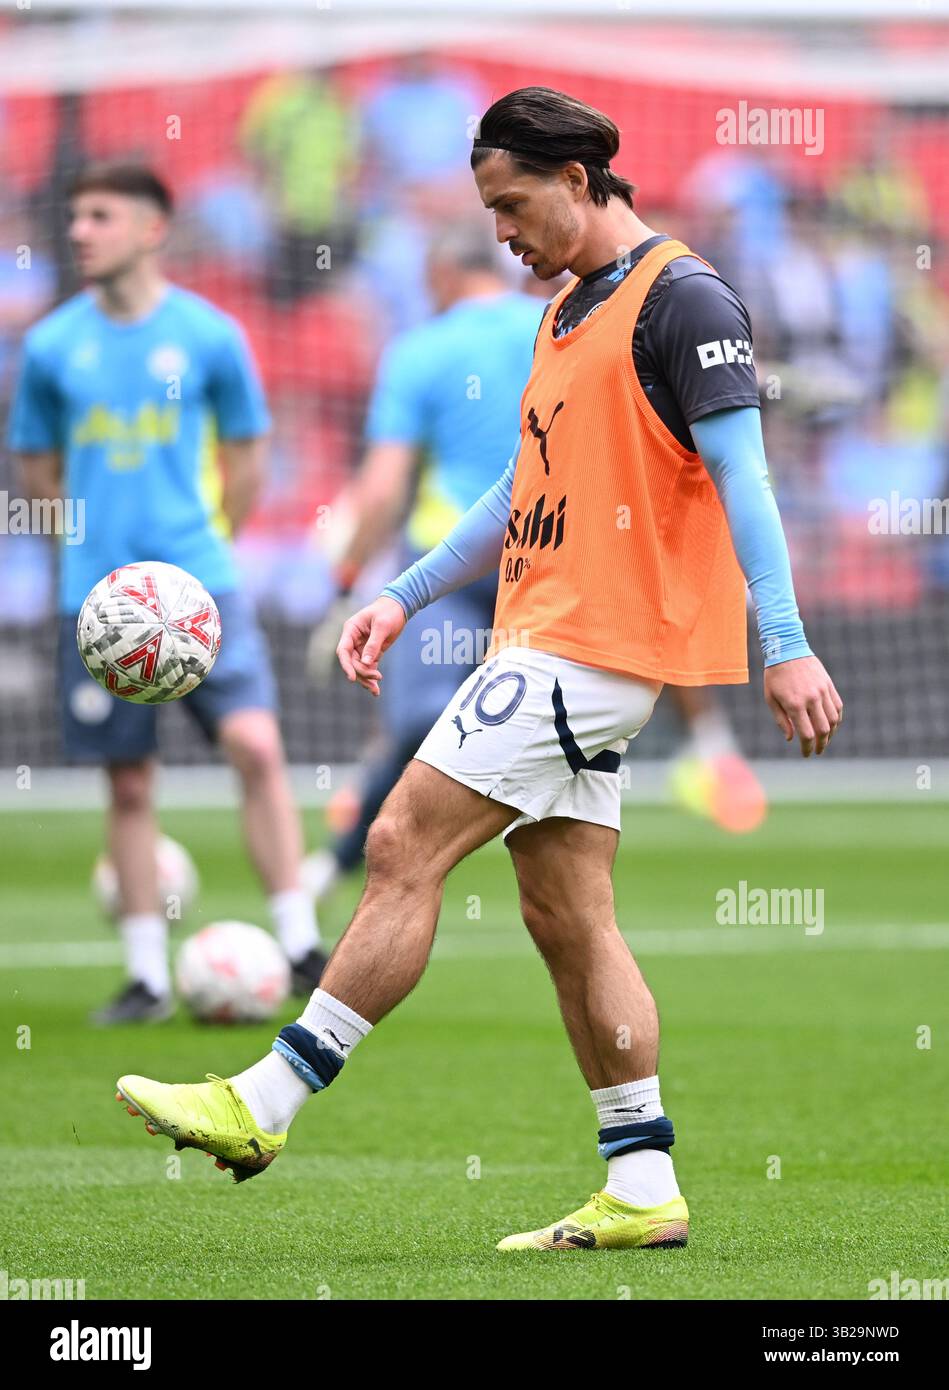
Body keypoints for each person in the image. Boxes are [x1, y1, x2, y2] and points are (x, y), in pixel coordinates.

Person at [114, 90, 842, 1254]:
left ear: (579, 178)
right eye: (487, 210)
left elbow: (743, 478)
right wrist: (402, 594)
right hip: (543, 635)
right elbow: (520, 494)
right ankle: (643, 1178)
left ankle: (262, 1103)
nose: (500, 229)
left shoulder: (686, 299)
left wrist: (786, 638)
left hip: (593, 648)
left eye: (512, 204)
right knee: (567, 914)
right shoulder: (561, 314)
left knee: (402, 841)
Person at [8, 163, 326, 1024]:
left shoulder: (209, 336)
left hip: (199, 589)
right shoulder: (50, 346)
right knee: (130, 783)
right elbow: (35, 462)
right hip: (100, 601)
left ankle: (298, 944)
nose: (78, 232)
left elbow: (249, 452)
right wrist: (77, 545)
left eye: (98, 216)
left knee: (256, 748)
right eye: (73, 217)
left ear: (151, 229)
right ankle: (147, 975)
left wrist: (206, 542)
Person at [303, 220, 544, 902]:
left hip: (449, 566)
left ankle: (349, 858)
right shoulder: (553, 327)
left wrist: (346, 581)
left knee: (418, 722)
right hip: (545, 558)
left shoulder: (420, 350)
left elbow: (380, 488)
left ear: (439, 276)